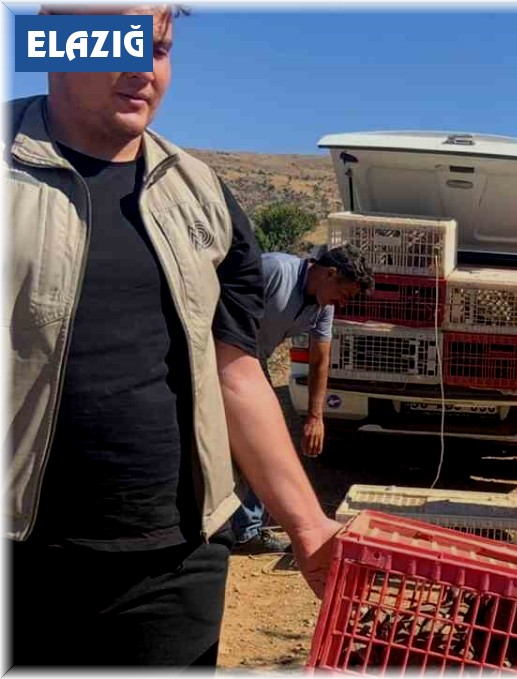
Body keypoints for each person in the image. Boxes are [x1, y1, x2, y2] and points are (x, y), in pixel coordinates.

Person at [6, 4, 342, 667]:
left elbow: (235, 369)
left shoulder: (207, 200)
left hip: (173, 568)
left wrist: (308, 525)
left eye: (158, 49)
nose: (141, 68)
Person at [231, 244, 373, 552]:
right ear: (330, 274)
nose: (342, 303)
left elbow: (319, 359)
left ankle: (246, 530)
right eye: (345, 294)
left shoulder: (323, 306)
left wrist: (315, 416)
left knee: (259, 439)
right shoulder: (274, 271)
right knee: (238, 437)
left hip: (253, 360)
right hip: (221, 355)